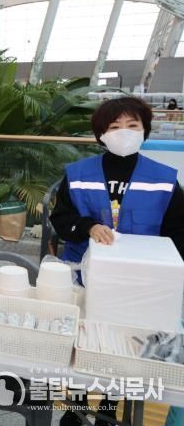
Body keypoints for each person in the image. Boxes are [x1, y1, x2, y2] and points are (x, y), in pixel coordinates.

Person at [51, 96, 184, 426]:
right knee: (84, 345)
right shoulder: (78, 173)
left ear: (144, 131)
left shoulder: (164, 179)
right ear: (101, 134)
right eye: (114, 126)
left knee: (125, 353)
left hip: (139, 286)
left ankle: (110, 410)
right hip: (84, 278)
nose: (124, 132)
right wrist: (87, 226)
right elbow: (61, 218)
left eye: (132, 125)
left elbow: (178, 233)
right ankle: (76, 408)